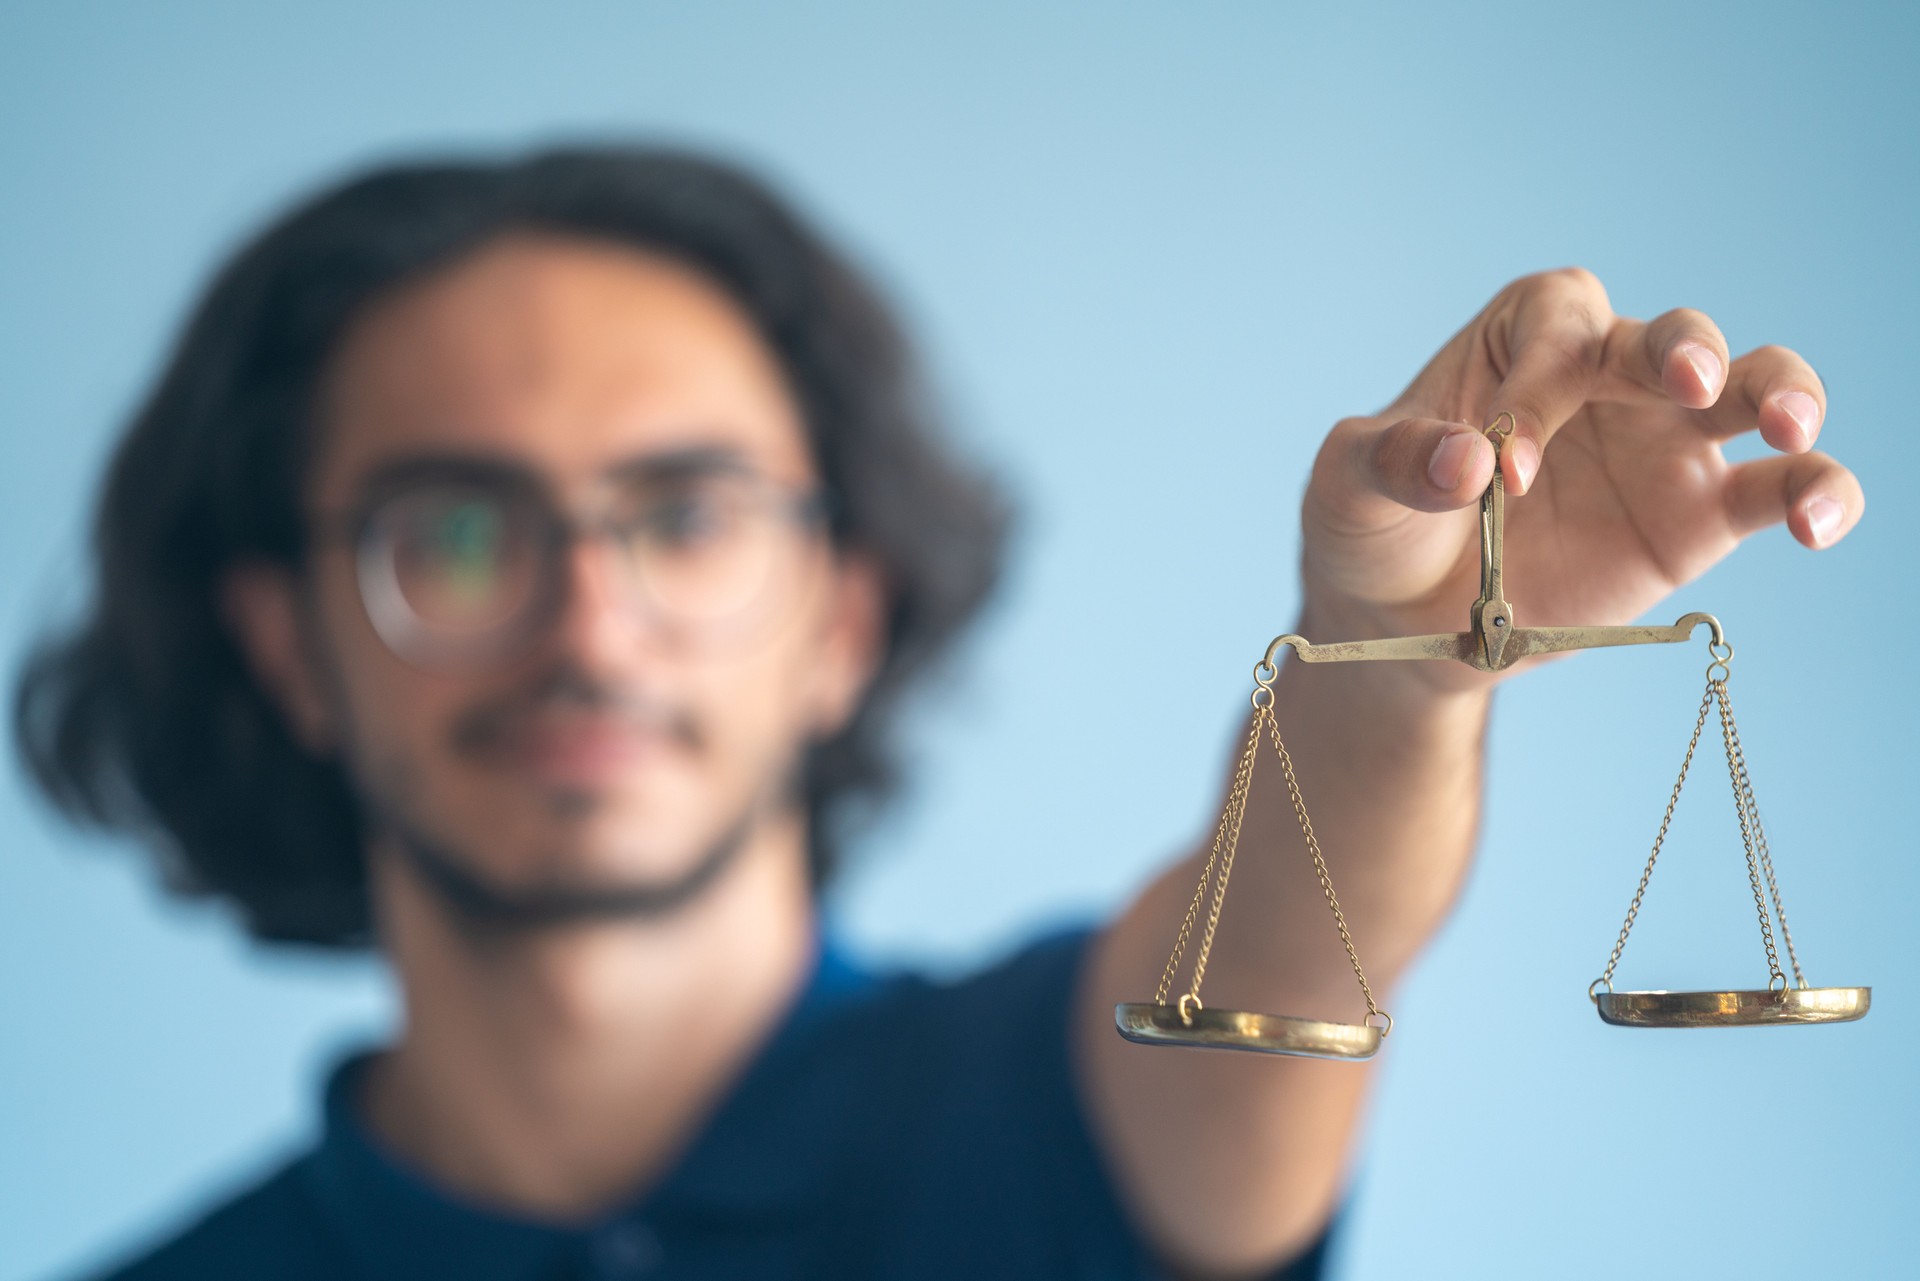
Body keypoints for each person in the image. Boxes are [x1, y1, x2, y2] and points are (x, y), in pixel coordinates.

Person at [13, 144, 1862, 1281]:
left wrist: (1408, 650)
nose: (590, 618)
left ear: (840, 614)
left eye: (684, 513)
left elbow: (1299, 938)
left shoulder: (1057, 1107)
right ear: (287, 645)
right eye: (462, 531)